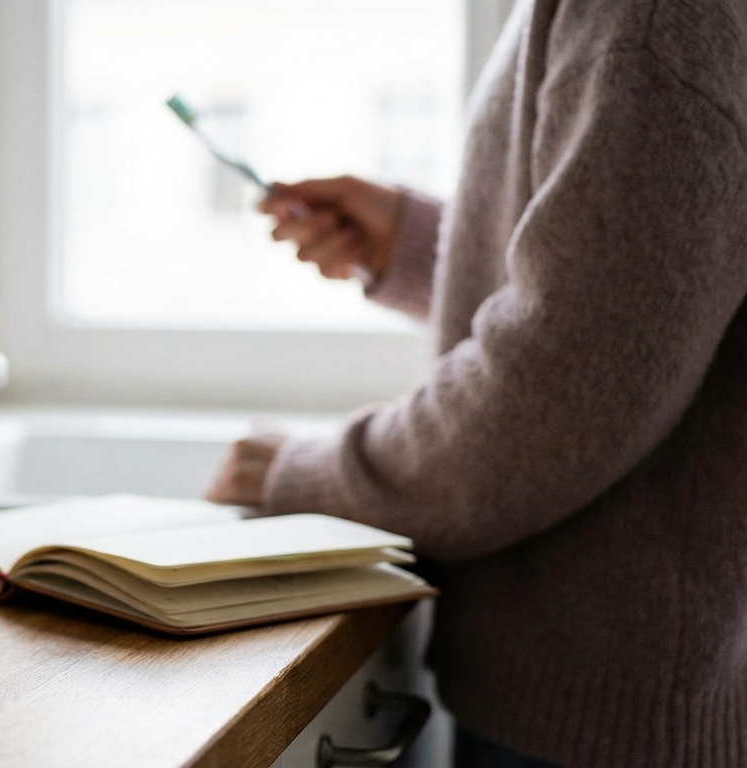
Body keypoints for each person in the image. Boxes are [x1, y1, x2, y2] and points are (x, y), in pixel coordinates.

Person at [205, 1, 747, 766]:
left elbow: (565, 388)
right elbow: (640, 294)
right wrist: (427, 246)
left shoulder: (647, 15)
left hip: (611, 712)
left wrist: (313, 476)